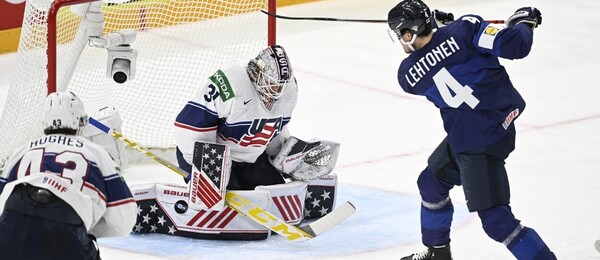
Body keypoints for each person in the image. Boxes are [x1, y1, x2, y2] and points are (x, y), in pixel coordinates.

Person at [387, 1, 556, 259]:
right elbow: (517, 45)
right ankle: (438, 254)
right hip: (482, 130)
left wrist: (444, 29)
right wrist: (524, 23)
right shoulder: (466, 29)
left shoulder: (408, 75)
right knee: (431, 183)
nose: (400, 40)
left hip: (477, 143)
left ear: (409, 34)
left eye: (400, 34)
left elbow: (436, 55)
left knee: (497, 221)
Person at [0, 91, 137, 259]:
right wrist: (85, 226)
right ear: (80, 120)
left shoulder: (20, 151)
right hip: (66, 222)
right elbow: (124, 219)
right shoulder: (96, 152)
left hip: (14, 219)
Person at [174, 45, 298, 190]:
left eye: (281, 85)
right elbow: (190, 126)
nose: (277, 91)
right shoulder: (232, 82)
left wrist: (284, 157)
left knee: (278, 194)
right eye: (272, 83)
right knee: (222, 200)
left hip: (249, 159)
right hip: (205, 153)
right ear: (257, 73)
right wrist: (208, 167)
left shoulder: (289, 92)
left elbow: (275, 128)